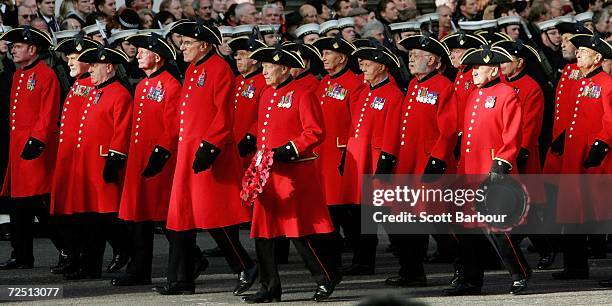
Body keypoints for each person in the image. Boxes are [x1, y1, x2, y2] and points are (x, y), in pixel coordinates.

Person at [155, 20, 257, 296]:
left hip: (210, 154)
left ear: (204, 45)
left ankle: (245, 265)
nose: (182, 47)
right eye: (182, 42)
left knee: (215, 217)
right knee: (180, 217)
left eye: (187, 43)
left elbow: (223, 116)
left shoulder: (219, 69)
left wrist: (208, 148)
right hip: (189, 151)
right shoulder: (192, 69)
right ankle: (182, 278)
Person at [241, 43, 341, 303]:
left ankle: (325, 277)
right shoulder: (265, 94)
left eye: (268, 67)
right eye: (262, 66)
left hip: (293, 171)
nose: (263, 71)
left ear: (284, 68)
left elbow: (315, 131)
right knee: (262, 231)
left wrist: (289, 149)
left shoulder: (303, 93)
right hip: (268, 171)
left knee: (298, 231)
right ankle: (269, 286)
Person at [444, 45, 532, 296]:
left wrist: (502, 162)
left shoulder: (506, 93)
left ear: (493, 69)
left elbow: (512, 132)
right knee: (469, 229)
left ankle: (520, 272)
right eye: (471, 68)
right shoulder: (474, 94)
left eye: (477, 68)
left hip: (492, 169)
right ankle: (471, 281)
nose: (472, 73)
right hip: (471, 169)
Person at [380, 34, 458, 287]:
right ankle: (411, 272)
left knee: (441, 222)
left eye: (418, 55)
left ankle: (463, 270)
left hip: (428, 165)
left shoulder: (443, 85)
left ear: (435, 61)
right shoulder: (414, 85)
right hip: (408, 164)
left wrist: (437, 160)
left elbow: (448, 129)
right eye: (410, 55)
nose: (411, 58)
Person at [110, 32, 182, 287]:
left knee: (162, 216)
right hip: (139, 159)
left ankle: (189, 260)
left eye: (143, 50)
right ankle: (139, 269)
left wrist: (160, 154)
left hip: (159, 160)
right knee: (139, 216)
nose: (137, 54)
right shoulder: (142, 84)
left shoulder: (171, 85)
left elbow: (172, 127)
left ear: (157, 56)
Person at [56, 44, 132, 280]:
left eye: (95, 66)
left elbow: (121, 130)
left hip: (102, 162)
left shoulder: (119, 93)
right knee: (90, 218)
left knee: (105, 217)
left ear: (109, 67)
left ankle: (122, 251)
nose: (90, 70)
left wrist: (114, 158)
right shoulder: (97, 91)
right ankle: (88, 265)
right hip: (87, 162)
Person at [340, 42, 404, 276]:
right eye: (361, 62)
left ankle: (408, 264)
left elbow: (393, 130)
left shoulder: (393, 93)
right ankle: (363, 261)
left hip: (376, 160)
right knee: (360, 214)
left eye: (368, 62)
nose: (362, 66)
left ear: (382, 66)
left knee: (383, 213)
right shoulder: (364, 91)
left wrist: (386, 161)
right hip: (360, 159)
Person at [0, 26, 61, 270]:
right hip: (18, 150)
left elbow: (48, 114)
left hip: (36, 149)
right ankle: (22, 255)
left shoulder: (46, 75)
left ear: (32, 49)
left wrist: (37, 140)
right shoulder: (18, 75)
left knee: (37, 203)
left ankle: (66, 248)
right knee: (19, 206)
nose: (13, 49)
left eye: (18, 45)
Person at [554, 33, 611, 281]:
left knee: (604, 213)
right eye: (578, 51)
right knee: (572, 211)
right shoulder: (583, 82)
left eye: (584, 51)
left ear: (597, 57)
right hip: (575, 155)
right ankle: (575, 266)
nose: (578, 53)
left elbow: (609, 120)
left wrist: (600, 144)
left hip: (593, 157)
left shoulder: (606, 84)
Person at [49, 32, 99, 275]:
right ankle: (74, 257)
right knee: (70, 214)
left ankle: (88, 260)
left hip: (82, 159)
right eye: (68, 57)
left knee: (86, 217)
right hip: (69, 158)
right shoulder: (80, 83)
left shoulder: (89, 85)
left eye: (75, 57)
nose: (69, 62)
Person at [311, 35, 364, 266]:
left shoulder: (354, 83)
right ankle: (335, 258)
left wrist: (350, 152)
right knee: (332, 210)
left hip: (342, 154)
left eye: (327, 53)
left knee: (350, 212)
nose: (322, 58)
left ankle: (362, 260)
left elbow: (357, 123)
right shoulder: (325, 82)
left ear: (342, 57)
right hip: (323, 155)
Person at [228, 31, 268, 169]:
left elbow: (265, 115)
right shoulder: (235, 80)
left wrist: (251, 137)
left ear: (255, 59)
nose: (237, 58)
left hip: (250, 147)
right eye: (236, 55)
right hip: (231, 145)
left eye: (242, 54)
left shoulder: (264, 82)